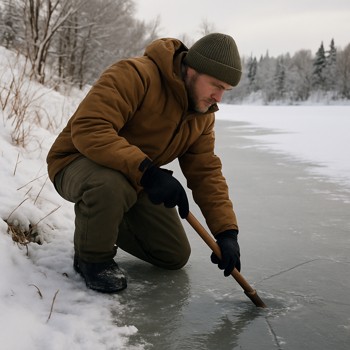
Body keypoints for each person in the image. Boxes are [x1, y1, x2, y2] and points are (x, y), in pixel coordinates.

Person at [47, 33, 242, 293]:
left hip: (135, 178)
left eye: (225, 90)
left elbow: (205, 171)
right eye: (215, 85)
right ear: (192, 70)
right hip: (78, 161)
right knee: (110, 186)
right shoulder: (135, 75)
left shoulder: (201, 116)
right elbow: (90, 129)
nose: (219, 97)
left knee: (173, 255)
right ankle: (92, 258)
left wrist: (226, 232)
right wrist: (148, 172)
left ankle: (101, 222)